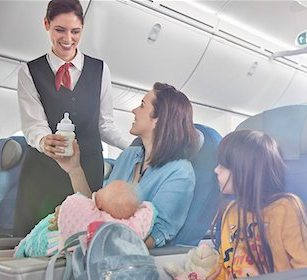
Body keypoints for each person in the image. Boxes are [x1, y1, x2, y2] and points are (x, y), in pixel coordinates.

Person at [14, 0, 130, 237]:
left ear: (82, 29)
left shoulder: (100, 70)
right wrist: (44, 141)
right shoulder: (29, 72)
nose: (68, 38)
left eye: (75, 31)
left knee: (84, 239)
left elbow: (105, 124)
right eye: (60, 30)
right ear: (46, 25)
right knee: (39, 240)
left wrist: (135, 147)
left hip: (88, 168)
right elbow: (33, 125)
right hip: (43, 172)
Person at [54, 82, 200, 249]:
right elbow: (98, 207)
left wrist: (93, 246)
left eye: (142, 106)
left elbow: (156, 235)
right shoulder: (128, 156)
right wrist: (74, 169)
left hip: (125, 258)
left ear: (158, 119)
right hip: (97, 244)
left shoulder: (180, 172)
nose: (134, 111)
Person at [208, 130, 307, 280]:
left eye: (223, 166)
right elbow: (226, 264)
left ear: (246, 170)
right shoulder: (231, 210)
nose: (216, 170)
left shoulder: (285, 208)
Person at [14, 180, 156, 257]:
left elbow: (77, 206)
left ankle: (23, 248)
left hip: (52, 247)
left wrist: (66, 211)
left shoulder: (92, 217)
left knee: (38, 234)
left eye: (102, 190)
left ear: (99, 205)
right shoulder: (120, 225)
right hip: (59, 247)